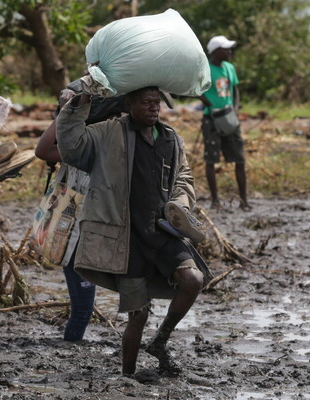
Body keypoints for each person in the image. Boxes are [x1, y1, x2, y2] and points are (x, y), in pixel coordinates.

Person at [56, 86, 207, 376]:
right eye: (145, 103)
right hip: (127, 236)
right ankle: (128, 374)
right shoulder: (108, 132)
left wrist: (179, 203)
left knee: (193, 280)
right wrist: (74, 108)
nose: (153, 108)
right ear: (128, 104)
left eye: (156, 103)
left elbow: (183, 176)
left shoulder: (170, 138)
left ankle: (160, 342)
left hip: (162, 233)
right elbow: (71, 146)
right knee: (138, 313)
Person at [35, 83, 126, 342]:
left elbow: (43, 148)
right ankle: (71, 348)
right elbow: (42, 150)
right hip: (78, 237)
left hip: (82, 235)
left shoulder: (77, 149)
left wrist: (66, 112)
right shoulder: (90, 151)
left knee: (82, 308)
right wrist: (68, 111)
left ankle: (71, 347)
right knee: (83, 309)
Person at [199, 35, 251, 211]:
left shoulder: (229, 68)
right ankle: (215, 200)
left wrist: (234, 109)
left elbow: (235, 89)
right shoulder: (204, 68)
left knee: (239, 159)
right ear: (215, 51)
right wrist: (210, 106)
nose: (229, 52)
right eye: (226, 49)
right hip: (211, 119)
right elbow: (197, 90)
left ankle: (244, 201)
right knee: (211, 159)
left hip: (230, 118)